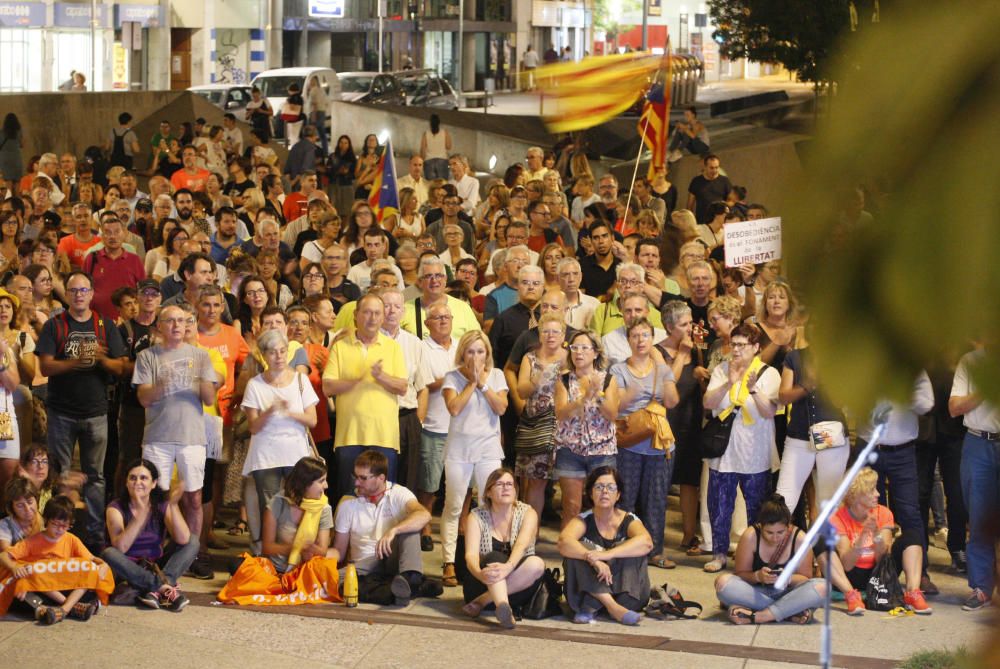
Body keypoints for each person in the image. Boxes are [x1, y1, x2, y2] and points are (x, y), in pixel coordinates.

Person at [37, 271, 127, 551]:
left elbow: (122, 366)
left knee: (96, 478)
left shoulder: (105, 325)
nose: (78, 295)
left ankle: (95, 539)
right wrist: (75, 361)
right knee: (59, 475)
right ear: (68, 294)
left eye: (83, 290)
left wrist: (100, 359)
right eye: (73, 290)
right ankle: (57, 535)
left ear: (91, 294)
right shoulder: (55, 326)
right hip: (61, 411)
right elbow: (45, 367)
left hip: (96, 411)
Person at [702, 323, 781, 573]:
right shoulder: (722, 370)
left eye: (741, 345)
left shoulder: (769, 374)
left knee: (756, 507)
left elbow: (769, 411)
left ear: (756, 347)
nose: (735, 350)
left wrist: (753, 388)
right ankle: (719, 554)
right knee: (719, 505)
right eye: (733, 344)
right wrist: (729, 383)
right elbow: (708, 402)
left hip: (755, 453)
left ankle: (755, 554)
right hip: (724, 452)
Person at [439, 331, 509, 587]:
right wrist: (471, 382)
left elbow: (501, 407)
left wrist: (483, 383)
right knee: (454, 505)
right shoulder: (452, 377)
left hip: (488, 449)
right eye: (471, 351)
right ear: (463, 354)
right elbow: (454, 408)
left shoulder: (498, 375)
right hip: (459, 450)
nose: (476, 356)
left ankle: (485, 557)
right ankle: (448, 561)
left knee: (488, 505)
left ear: (487, 353)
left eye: (480, 351)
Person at [323, 294, 407, 501]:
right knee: (349, 496)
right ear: (356, 315)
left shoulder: (393, 347)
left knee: (384, 497)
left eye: (377, 313)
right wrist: (354, 381)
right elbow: (327, 387)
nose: (372, 318)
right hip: (349, 435)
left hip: (384, 436)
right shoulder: (340, 346)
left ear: (383, 317)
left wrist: (380, 376)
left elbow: (402, 387)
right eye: (367, 312)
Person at [241, 328, 319, 550]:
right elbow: (254, 427)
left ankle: (298, 551)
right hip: (265, 456)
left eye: (283, 351)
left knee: (300, 503)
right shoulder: (255, 385)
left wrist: (289, 413)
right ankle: (271, 555)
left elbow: (312, 420)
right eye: (273, 352)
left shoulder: (300, 380)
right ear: (264, 355)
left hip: (296, 454)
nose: (279, 357)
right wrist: (270, 410)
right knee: (270, 507)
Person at [332, 449, 442, 605]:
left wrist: (394, 530)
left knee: (410, 529)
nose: (356, 482)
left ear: (381, 478)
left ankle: (409, 580)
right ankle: (407, 589)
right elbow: (339, 552)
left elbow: (424, 515)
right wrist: (319, 554)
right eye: (355, 477)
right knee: (337, 581)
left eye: (363, 478)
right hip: (365, 564)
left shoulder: (399, 493)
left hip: (391, 557)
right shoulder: (347, 503)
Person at [611, 318, 679, 569]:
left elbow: (671, 401)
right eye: (635, 336)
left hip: (659, 444)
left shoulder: (662, 370)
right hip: (629, 442)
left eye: (645, 336)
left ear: (653, 340)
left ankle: (655, 550)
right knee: (626, 497)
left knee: (657, 499)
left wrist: (664, 370)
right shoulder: (618, 370)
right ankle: (624, 547)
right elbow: (618, 405)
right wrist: (634, 393)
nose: (640, 340)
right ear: (628, 341)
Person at [817, 467, 932, 615]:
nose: (878, 494)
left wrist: (876, 534)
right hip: (851, 575)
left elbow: (883, 559)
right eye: (872, 490)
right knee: (819, 541)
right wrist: (862, 537)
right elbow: (847, 564)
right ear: (856, 494)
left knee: (912, 536)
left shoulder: (883, 512)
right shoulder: (837, 518)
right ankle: (851, 595)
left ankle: (912, 593)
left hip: (879, 573)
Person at [558, 466, 652, 625]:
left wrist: (607, 554)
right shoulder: (584, 519)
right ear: (590, 493)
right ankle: (612, 607)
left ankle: (595, 607)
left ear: (618, 495)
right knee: (578, 549)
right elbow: (563, 542)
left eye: (611, 487)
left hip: (627, 596)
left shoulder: (629, 519)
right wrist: (594, 560)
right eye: (599, 487)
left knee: (628, 547)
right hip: (588, 595)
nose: (605, 492)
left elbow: (646, 543)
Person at [102, 459, 197, 611]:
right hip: (127, 567)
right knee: (109, 553)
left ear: (153, 483)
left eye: (143, 478)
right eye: (132, 478)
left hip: (154, 565)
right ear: (126, 483)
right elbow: (120, 547)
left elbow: (183, 539)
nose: (137, 482)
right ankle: (164, 588)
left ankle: (157, 588)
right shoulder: (115, 507)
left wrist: (173, 505)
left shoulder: (160, 505)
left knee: (192, 541)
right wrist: (140, 517)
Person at [716, 494, 825, 624]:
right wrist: (757, 576)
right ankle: (789, 612)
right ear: (760, 526)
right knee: (722, 582)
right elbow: (740, 574)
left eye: (780, 532)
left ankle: (758, 615)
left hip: (788, 593)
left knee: (823, 587)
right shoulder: (750, 536)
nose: (775, 538)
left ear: (788, 526)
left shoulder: (800, 539)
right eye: (769, 532)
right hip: (755, 592)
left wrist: (788, 578)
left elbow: (806, 578)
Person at [0, 495, 107, 624]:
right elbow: (4, 556)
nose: (60, 530)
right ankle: (72, 607)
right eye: (55, 524)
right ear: (46, 520)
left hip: (63, 586)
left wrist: (103, 565)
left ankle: (62, 609)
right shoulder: (33, 541)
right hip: (43, 590)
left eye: (65, 526)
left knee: (90, 572)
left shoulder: (71, 539)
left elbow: (92, 560)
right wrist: (14, 568)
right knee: (25, 583)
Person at [948, 343, 998, 612]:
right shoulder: (970, 361)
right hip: (978, 443)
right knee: (979, 517)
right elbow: (954, 407)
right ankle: (981, 587)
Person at [461, 467, 545, 628]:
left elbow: (522, 544)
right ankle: (503, 608)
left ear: (515, 491)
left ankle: (484, 602)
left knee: (537, 564)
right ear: (488, 493)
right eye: (499, 484)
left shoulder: (528, 513)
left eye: (510, 484)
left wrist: (508, 567)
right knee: (493, 558)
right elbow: (470, 556)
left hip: (518, 587)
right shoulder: (476, 516)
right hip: (481, 583)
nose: (506, 488)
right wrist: (480, 575)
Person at [553, 331, 620, 527]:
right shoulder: (563, 380)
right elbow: (561, 414)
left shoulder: (607, 380)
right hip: (570, 450)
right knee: (571, 506)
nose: (579, 353)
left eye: (584, 348)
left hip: (602, 450)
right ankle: (570, 552)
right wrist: (583, 399)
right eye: (574, 348)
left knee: (603, 504)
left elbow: (612, 414)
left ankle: (601, 549)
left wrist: (596, 395)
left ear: (596, 353)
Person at [514, 313, 566, 517]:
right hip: (536, 426)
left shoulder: (571, 357)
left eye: (556, 331)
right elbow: (521, 391)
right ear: (539, 334)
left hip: (565, 427)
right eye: (546, 331)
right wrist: (538, 377)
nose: (551, 335)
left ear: (563, 335)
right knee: (535, 483)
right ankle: (529, 535)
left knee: (571, 483)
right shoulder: (530, 358)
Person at [686, 155, 732, 225]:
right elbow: (689, 206)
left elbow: (731, 201)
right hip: (702, 223)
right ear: (705, 167)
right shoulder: (696, 181)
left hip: (720, 222)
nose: (714, 170)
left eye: (716, 167)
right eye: (711, 168)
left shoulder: (724, 181)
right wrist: (691, 223)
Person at [420, 115, 452, 180]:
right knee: (443, 185)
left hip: (429, 161)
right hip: (442, 160)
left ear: (430, 123)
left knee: (431, 186)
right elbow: (449, 146)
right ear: (439, 123)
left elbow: (422, 150)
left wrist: (422, 161)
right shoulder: (444, 132)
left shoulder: (425, 134)